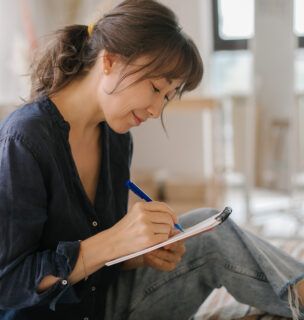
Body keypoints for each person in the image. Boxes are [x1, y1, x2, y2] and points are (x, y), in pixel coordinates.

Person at [0, 0, 303, 319]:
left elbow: (99, 257)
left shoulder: (115, 137)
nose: (157, 110)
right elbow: (8, 282)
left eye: (167, 97)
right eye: (156, 87)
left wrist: (139, 253)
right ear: (110, 61)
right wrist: (114, 241)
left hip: (103, 303)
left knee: (209, 230)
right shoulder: (25, 141)